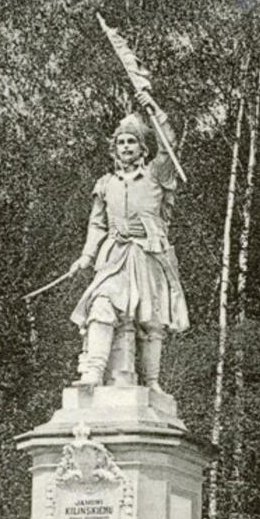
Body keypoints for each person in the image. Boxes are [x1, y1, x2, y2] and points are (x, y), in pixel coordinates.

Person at [68, 90, 189, 391]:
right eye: (121, 142)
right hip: (114, 254)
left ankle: (152, 383)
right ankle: (93, 375)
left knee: (151, 321)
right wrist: (86, 256)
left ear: (142, 148)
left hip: (148, 254)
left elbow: (168, 144)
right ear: (114, 149)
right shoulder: (105, 184)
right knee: (102, 305)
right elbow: (97, 224)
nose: (125, 147)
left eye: (131, 141)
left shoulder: (155, 175)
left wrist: (154, 110)